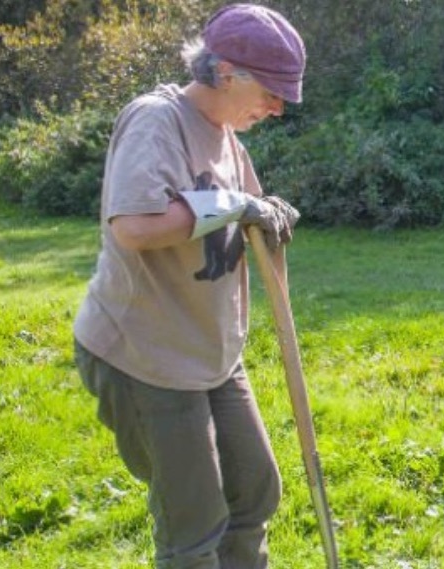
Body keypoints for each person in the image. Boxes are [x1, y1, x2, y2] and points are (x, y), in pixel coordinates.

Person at [72, 4, 305, 567]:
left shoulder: (228, 139)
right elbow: (134, 226)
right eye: (270, 92)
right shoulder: (157, 120)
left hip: (210, 351)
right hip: (145, 354)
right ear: (225, 72)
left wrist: (269, 217)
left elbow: (244, 219)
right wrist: (233, 205)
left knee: (253, 492)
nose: (276, 109)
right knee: (194, 525)